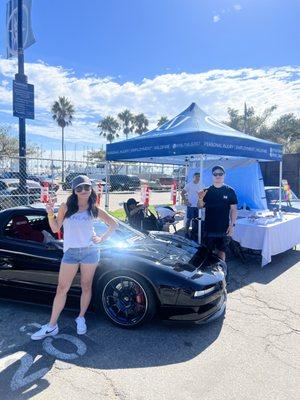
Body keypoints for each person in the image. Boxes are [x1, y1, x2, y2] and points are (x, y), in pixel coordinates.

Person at [31, 175, 118, 340]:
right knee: (62, 288)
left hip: (90, 252)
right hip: (70, 253)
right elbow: (56, 227)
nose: (83, 191)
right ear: (74, 191)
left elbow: (114, 224)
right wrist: (50, 213)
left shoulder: (94, 208)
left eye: (86, 187)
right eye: (79, 188)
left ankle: (81, 317)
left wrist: (101, 238)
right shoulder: (66, 207)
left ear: (90, 188)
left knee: (86, 286)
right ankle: (51, 326)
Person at [198, 165, 237, 261]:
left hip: (224, 228)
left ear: (224, 175)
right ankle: (209, 274)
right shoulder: (206, 191)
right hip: (209, 227)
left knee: (221, 253)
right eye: (215, 174)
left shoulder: (230, 191)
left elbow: (233, 209)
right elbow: (199, 206)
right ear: (212, 176)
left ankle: (222, 273)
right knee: (208, 253)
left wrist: (232, 225)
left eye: (220, 174)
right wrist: (200, 198)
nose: (218, 176)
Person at [181, 172, 202, 238]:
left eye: (199, 176)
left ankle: (194, 232)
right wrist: (185, 201)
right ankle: (186, 232)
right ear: (194, 177)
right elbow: (182, 193)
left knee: (196, 220)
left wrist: (201, 203)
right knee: (189, 219)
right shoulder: (189, 185)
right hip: (190, 205)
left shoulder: (201, 185)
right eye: (196, 177)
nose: (197, 178)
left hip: (198, 206)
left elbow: (203, 195)